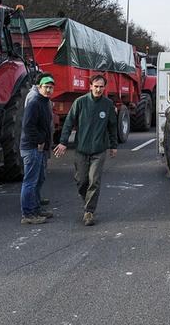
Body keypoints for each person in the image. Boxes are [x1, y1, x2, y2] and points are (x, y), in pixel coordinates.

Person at [53, 74, 117, 226]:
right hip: (81, 149)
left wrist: (113, 146)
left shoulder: (107, 104)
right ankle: (87, 199)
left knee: (94, 180)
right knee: (82, 181)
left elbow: (112, 127)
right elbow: (68, 123)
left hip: (99, 150)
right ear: (90, 86)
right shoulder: (80, 102)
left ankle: (89, 211)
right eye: (96, 86)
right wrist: (63, 142)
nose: (98, 89)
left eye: (101, 87)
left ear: (104, 87)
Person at [20, 74, 55, 224]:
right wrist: (40, 140)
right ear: (39, 87)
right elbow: (28, 126)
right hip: (32, 148)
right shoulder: (34, 102)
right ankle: (28, 214)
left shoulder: (44, 101)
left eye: (51, 87)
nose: (48, 89)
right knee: (30, 181)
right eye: (46, 87)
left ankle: (36, 209)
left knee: (38, 179)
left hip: (40, 149)